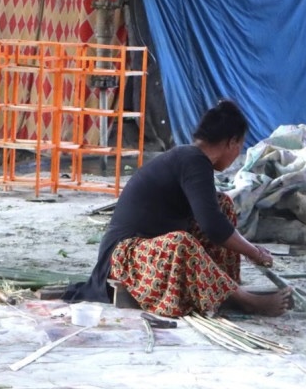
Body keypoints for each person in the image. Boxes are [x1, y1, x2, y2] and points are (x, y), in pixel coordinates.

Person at [65, 99, 292, 317]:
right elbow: (213, 227)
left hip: (147, 251)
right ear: (231, 143)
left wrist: (250, 250)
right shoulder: (193, 160)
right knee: (181, 243)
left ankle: (224, 288)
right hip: (123, 258)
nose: (237, 154)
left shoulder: (191, 158)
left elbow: (212, 215)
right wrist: (254, 252)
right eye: (239, 146)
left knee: (222, 203)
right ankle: (247, 301)